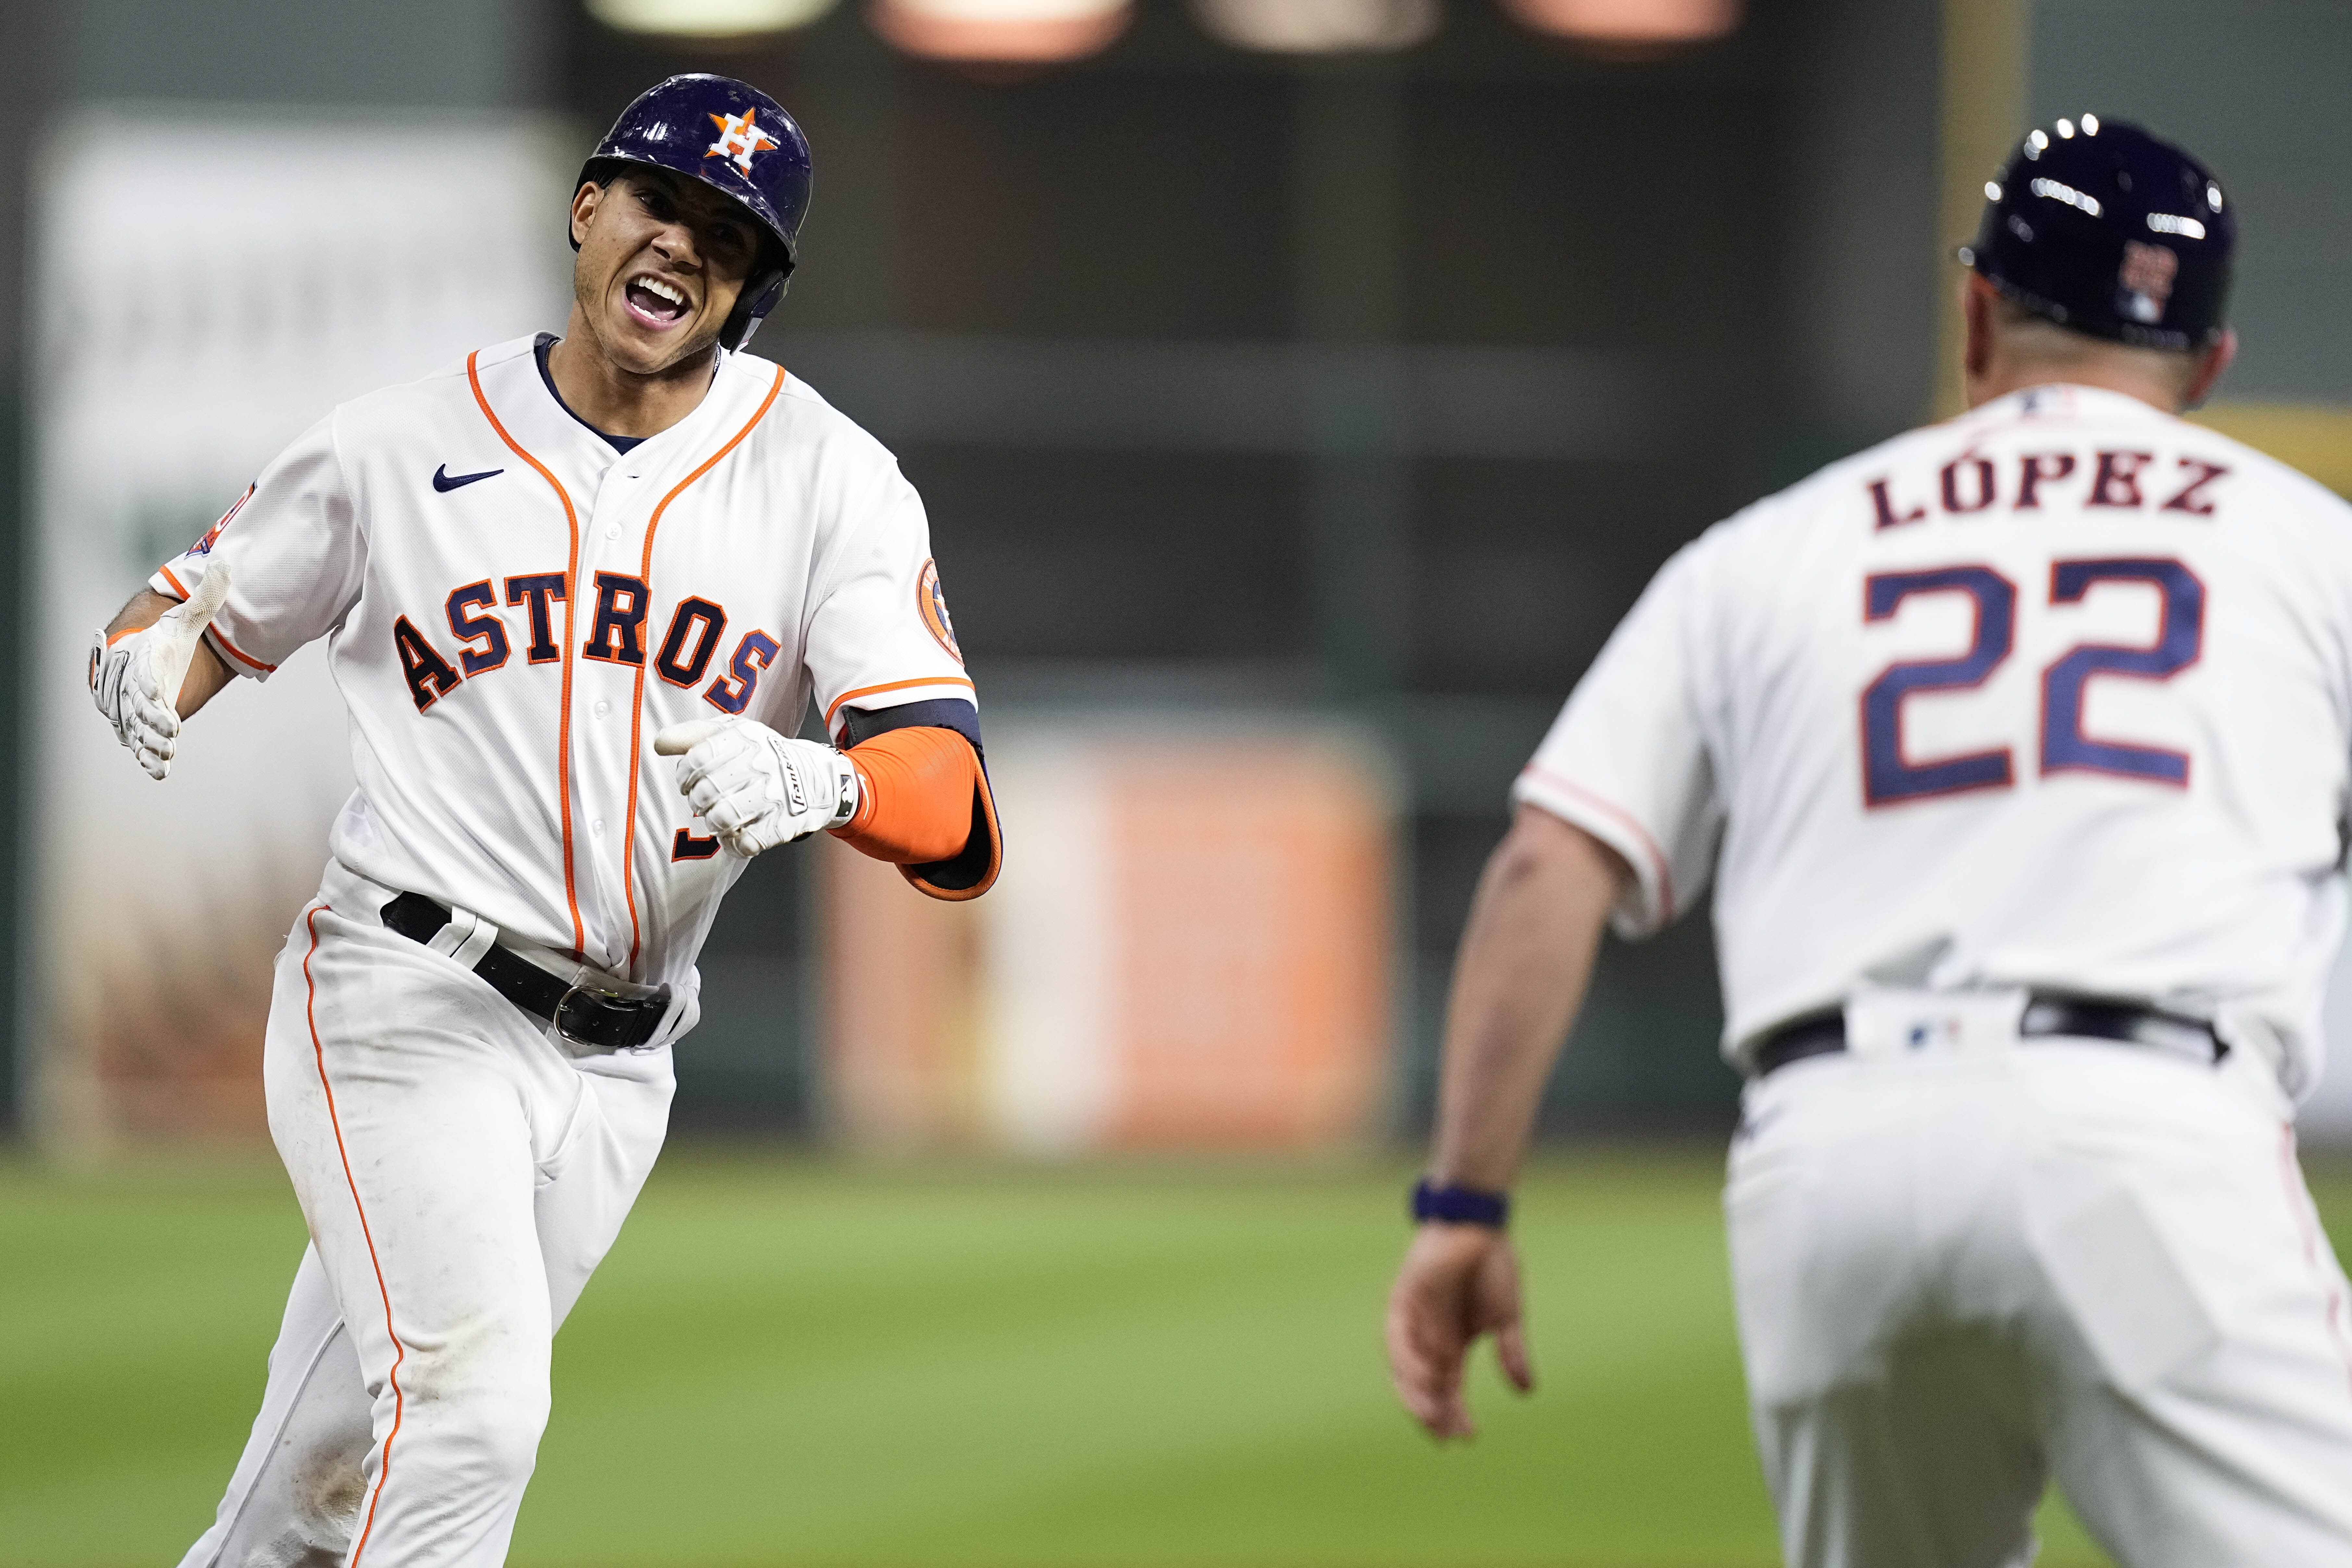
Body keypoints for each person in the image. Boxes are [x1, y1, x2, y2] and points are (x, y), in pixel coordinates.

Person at [1384, 116, 2352, 1567]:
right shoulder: (2306, 542)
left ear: (1976, 313)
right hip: (2145, 1152)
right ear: (2208, 367)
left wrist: (1464, 1201)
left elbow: (1549, 861)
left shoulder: (1770, 547)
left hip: (1830, 1167)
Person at [90, 73, 1001, 1566]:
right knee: (472, 1414)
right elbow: (187, 614)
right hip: (405, 992)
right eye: (663, 203)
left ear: (755, 285)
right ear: (590, 208)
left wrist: (835, 781)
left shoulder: (828, 477)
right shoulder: (398, 440)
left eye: (729, 236)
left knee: (310, 1493)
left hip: (621, 1063)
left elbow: (948, 794)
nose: (684, 247)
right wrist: (141, 666)